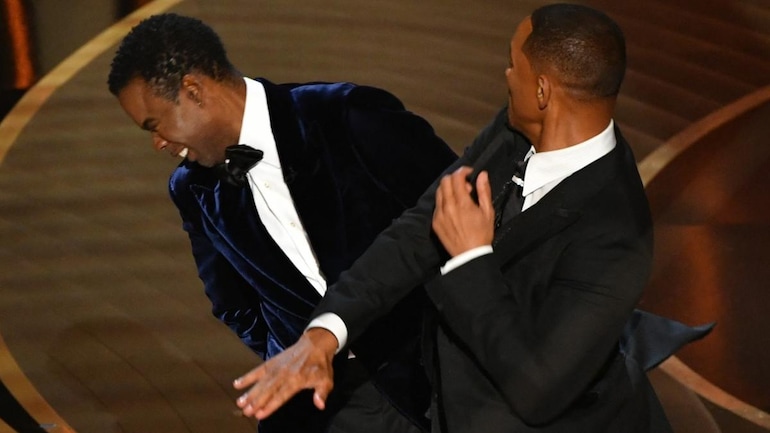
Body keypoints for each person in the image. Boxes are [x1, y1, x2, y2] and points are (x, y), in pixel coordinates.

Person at [232, 4, 713, 432]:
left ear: (542, 90)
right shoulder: (515, 129)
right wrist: (326, 332)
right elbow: (418, 229)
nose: (506, 74)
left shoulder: (618, 235)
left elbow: (537, 390)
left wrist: (470, 259)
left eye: (513, 63)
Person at [107, 13, 458, 433]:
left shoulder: (346, 115)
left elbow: (462, 210)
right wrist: (291, 350)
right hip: (319, 409)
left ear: (193, 91)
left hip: (432, 378)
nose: (157, 143)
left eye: (155, 125)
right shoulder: (191, 189)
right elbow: (232, 304)